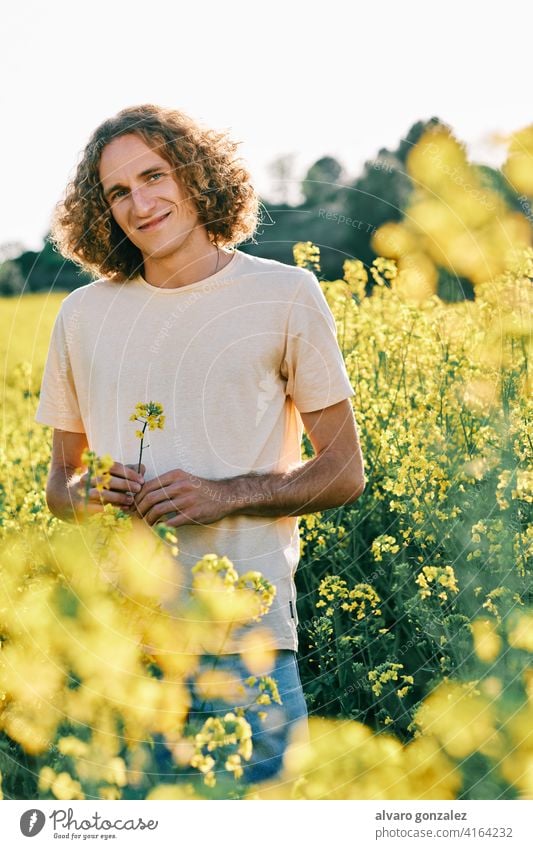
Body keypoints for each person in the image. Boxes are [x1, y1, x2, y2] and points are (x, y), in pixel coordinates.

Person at [35, 104, 366, 785]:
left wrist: (227, 494)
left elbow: (343, 471)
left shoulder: (284, 293)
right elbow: (59, 487)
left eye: (154, 176)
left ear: (196, 176)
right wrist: (88, 490)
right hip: (120, 660)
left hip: (246, 650)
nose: (140, 203)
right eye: (118, 192)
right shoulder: (81, 316)